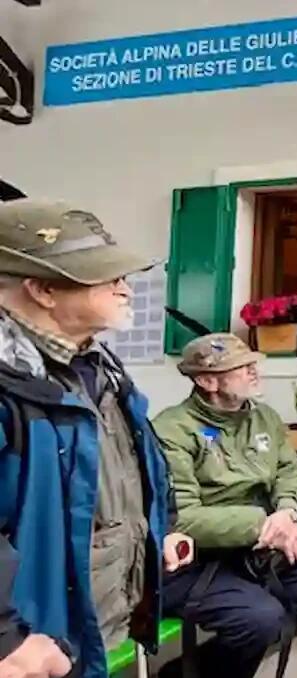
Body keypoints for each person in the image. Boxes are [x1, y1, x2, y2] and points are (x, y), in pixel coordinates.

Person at [0, 199, 191, 677]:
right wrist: (6, 639)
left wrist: (158, 530)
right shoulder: (11, 384)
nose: (125, 290)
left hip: (94, 627)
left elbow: (130, 467)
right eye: (106, 278)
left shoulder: (98, 368)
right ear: (42, 289)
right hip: (34, 649)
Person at [153, 334, 297, 677]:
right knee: (258, 618)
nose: (254, 371)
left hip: (253, 551)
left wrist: (286, 511)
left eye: (254, 363)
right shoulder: (172, 430)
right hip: (193, 559)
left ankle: (194, 670)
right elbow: (181, 518)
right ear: (207, 381)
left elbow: (288, 471)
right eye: (241, 368)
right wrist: (263, 525)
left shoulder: (263, 417)